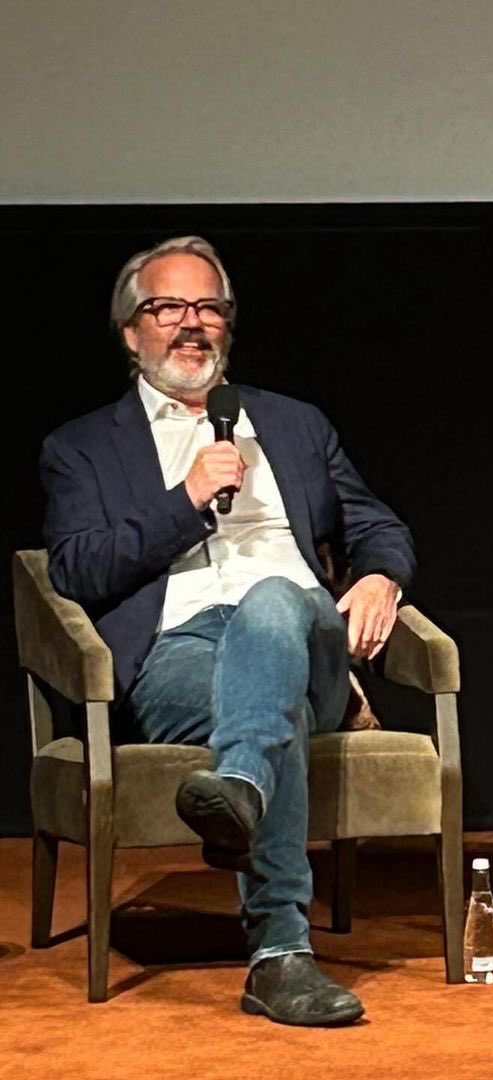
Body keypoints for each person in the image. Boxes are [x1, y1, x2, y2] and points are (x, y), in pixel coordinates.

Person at [40, 236, 415, 1026]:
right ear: (130, 331)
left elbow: (378, 525)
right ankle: (277, 945)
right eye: (167, 307)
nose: (191, 323)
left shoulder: (294, 423)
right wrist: (184, 500)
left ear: (228, 326)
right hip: (174, 658)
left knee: (276, 599)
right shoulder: (81, 448)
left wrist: (381, 575)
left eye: (208, 307)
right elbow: (74, 570)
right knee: (261, 714)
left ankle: (245, 822)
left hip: (302, 634)